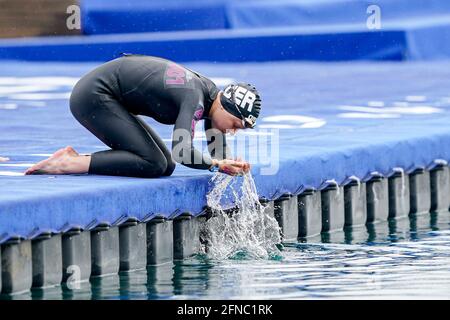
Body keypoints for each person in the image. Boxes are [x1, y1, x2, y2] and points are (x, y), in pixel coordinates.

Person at [25, 54, 262, 178]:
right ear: (225, 106)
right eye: (235, 125)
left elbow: (217, 152)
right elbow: (182, 151)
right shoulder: (195, 98)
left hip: (110, 96)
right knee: (153, 163)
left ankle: (74, 157)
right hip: (93, 96)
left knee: (164, 166)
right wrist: (214, 166)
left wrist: (230, 165)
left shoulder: (211, 98)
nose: (233, 131)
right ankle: (68, 163)